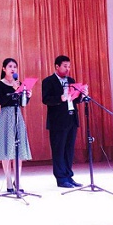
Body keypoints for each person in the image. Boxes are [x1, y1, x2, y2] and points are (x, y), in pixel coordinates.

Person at [41, 55, 88, 188]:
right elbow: (46, 99)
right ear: (57, 66)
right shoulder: (48, 81)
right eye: (65, 66)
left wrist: (82, 95)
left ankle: (69, 176)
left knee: (69, 150)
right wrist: (60, 98)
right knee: (58, 150)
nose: (68, 69)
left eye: (69, 66)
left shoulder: (71, 80)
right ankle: (61, 179)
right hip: (57, 121)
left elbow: (75, 99)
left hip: (71, 118)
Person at [0, 58, 33, 193]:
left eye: (15, 67)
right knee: (6, 149)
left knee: (18, 149)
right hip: (5, 116)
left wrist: (27, 96)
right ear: (4, 69)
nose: (13, 69)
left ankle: (18, 180)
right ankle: (8, 181)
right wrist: (15, 91)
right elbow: (2, 101)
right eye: (10, 66)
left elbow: (22, 104)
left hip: (17, 116)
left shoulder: (19, 84)